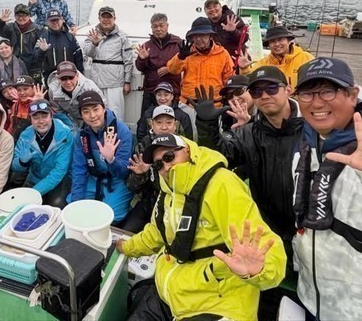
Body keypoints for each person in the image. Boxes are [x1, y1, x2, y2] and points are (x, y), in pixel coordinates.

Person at [117, 133, 286, 321]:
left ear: (188, 150)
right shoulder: (167, 192)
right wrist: (125, 247)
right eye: (158, 164)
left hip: (215, 302)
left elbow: (264, 245)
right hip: (172, 293)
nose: (166, 166)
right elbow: (155, 234)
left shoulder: (221, 184)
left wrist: (260, 270)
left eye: (169, 156)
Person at [193, 66, 304, 318]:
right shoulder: (249, 133)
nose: (264, 95)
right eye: (257, 91)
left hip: (308, 231)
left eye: (271, 88)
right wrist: (207, 126)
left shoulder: (313, 127)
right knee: (268, 290)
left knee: (307, 294)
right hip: (267, 226)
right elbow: (219, 156)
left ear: (288, 89)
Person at [291, 57, 362, 319]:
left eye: (328, 91)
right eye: (307, 93)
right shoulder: (304, 146)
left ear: (352, 95)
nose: (317, 103)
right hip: (311, 296)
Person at [71, 91, 133, 223]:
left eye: (96, 109)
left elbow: (123, 171)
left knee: (112, 217)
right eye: (86, 111)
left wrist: (111, 160)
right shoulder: (82, 136)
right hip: (94, 177)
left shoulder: (122, 131)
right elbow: (78, 169)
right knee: (75, 206)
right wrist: (76, 203)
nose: (92, 115)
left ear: (104, 108)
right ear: (81, 115)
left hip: (117, 179)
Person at [11, 99, 73, 207]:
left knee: (56, 204)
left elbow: (60, 170)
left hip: (60, 180)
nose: (41, 121)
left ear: (51, 116)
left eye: (44, 116)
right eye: (36, 117)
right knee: (19, 204)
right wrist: (22, 162)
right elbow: (15, 168)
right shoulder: (25, 136)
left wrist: (34, 193)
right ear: (30, 119)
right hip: (34, 178)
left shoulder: (65, 135)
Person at [166, 17, 233, 104]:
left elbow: (229, 78)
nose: (198, 39)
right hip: (188, 105)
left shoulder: (222, 54)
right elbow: (172, 70)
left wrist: (228, 99)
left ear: (210, 36)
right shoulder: (186, 53)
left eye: (202, 35)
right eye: (195, 36)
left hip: (214, 106)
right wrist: (180, 57)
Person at [82, 6, 134, 118]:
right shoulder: (92, 34)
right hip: (96, 81)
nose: (106, 20)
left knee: (116, 114)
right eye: (103, 17)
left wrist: (127, 82)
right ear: (99, 18)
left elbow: (128, 61)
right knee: (97, 112)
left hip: (115, 83)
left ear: (114, 18)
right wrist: (94, 44)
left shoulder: (122, 37)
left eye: (109, 17)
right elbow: (87, 52)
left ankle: (116, 129)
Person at [237, 25, 314, 90]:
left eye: (280, 40)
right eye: (272, 41)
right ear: (268, 45)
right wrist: (244, 69)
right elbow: (248, 79)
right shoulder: (263, 63)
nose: (277, 44)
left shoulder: (306, 58)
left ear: (288, 40)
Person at [135, 13, 183, 116]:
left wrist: (169, 69)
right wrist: (142, 59)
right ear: (151, 28)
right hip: (151, 91)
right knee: (146, 119)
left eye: (161, 25)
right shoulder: (146, 46)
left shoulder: (178, 43)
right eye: (155, 26)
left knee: (171, 119)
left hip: (171, 91)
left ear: (167, 26)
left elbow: (184, 64)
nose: (158, 29)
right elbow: (140, 68)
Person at [0, 4, 43, 79]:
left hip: (33, 65)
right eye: (18, 16)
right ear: (15, 16)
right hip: (15, 64)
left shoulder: (38, 29)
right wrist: (0, 22)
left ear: (29, 16)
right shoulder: (11, 28)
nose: (21, 18)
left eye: (24, 15)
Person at [47, 61, 104, 126]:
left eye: (71, 77)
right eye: (63, 79)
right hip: (70, 121)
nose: (68, 82)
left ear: (77, 75)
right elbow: (58, 112)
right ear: (58, 78)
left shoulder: (90, 87)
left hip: (91, 119)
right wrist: (69, 126)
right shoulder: (53, 90)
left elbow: (102, 107)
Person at [34, 9, 84, 80]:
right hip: (51, 77)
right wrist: (42, 51)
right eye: (52, 21)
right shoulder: (43, 38)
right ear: (47, 22)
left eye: (57, 20)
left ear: (62, 20)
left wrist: (80, 75)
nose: (55, 23)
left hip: (69, 76)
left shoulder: (70, 37)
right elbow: (36, 60)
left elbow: (78, 58)